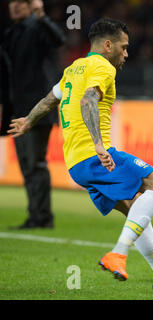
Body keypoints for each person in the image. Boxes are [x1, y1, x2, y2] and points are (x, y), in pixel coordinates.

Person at [8, 18, 153, 290]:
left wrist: (29, 120)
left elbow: (51, 98)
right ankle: (118, 253)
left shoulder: (75, 67)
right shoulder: (102, 67)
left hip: (76, 164)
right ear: (108, 46)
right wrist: (98, 144)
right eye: (124, 47)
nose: (126, 54)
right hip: (94, 155)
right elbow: (88, 99)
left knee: (134, 211)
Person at [2, 0, 65, 229]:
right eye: (13, 2)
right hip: (18, 109)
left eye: (22, 2)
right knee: (27, 164)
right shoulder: (11, 33)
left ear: (31, 6)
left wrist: (42, 17)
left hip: (37, 110)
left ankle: (42, 217)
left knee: (35, 163)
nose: (15, 6)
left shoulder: (38, 29)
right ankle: (36, 214)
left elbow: (59, 39)